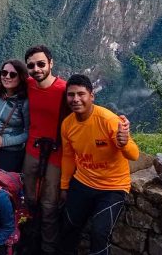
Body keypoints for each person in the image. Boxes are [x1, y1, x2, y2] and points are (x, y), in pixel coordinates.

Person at [57, 74, 138, 255]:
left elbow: (134, 154)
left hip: (112, 187)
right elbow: (68, 157)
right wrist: (64, 186)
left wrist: (124, 142)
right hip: (83, 182)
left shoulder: (108, 120)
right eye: (71, 95)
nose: (76, 99)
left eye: (81, 94)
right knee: (68, 227)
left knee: (99, 233)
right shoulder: (67, 125)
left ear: (91, 96)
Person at [21, 45, 69, 255]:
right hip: (32, 151)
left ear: (51, 63)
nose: (36, 69)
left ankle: (48, 249)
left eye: (41, 64)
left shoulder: (65, 91)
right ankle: (30, 243)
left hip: (57, 155)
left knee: (50, 205)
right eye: (31, 66)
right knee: (29, 200)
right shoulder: (29, 84)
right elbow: (7, 83)